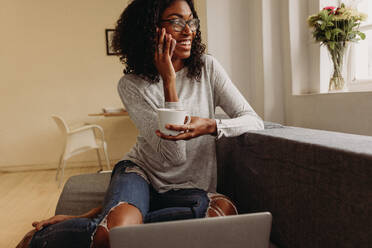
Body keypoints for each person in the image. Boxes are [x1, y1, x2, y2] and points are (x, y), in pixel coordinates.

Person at [17, 0, 264, 247]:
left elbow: (253, 120)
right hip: (140, 174)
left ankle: (105, 216)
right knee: (114, 236)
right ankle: (42, 238)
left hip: (188, 188)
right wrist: (169, 82)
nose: (188, 30)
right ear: (152, 28)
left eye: (191, 21)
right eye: (177, 21)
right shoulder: (132, 85)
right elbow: (174, 155)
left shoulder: (208, 68)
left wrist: (211, 126)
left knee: (224, 211)